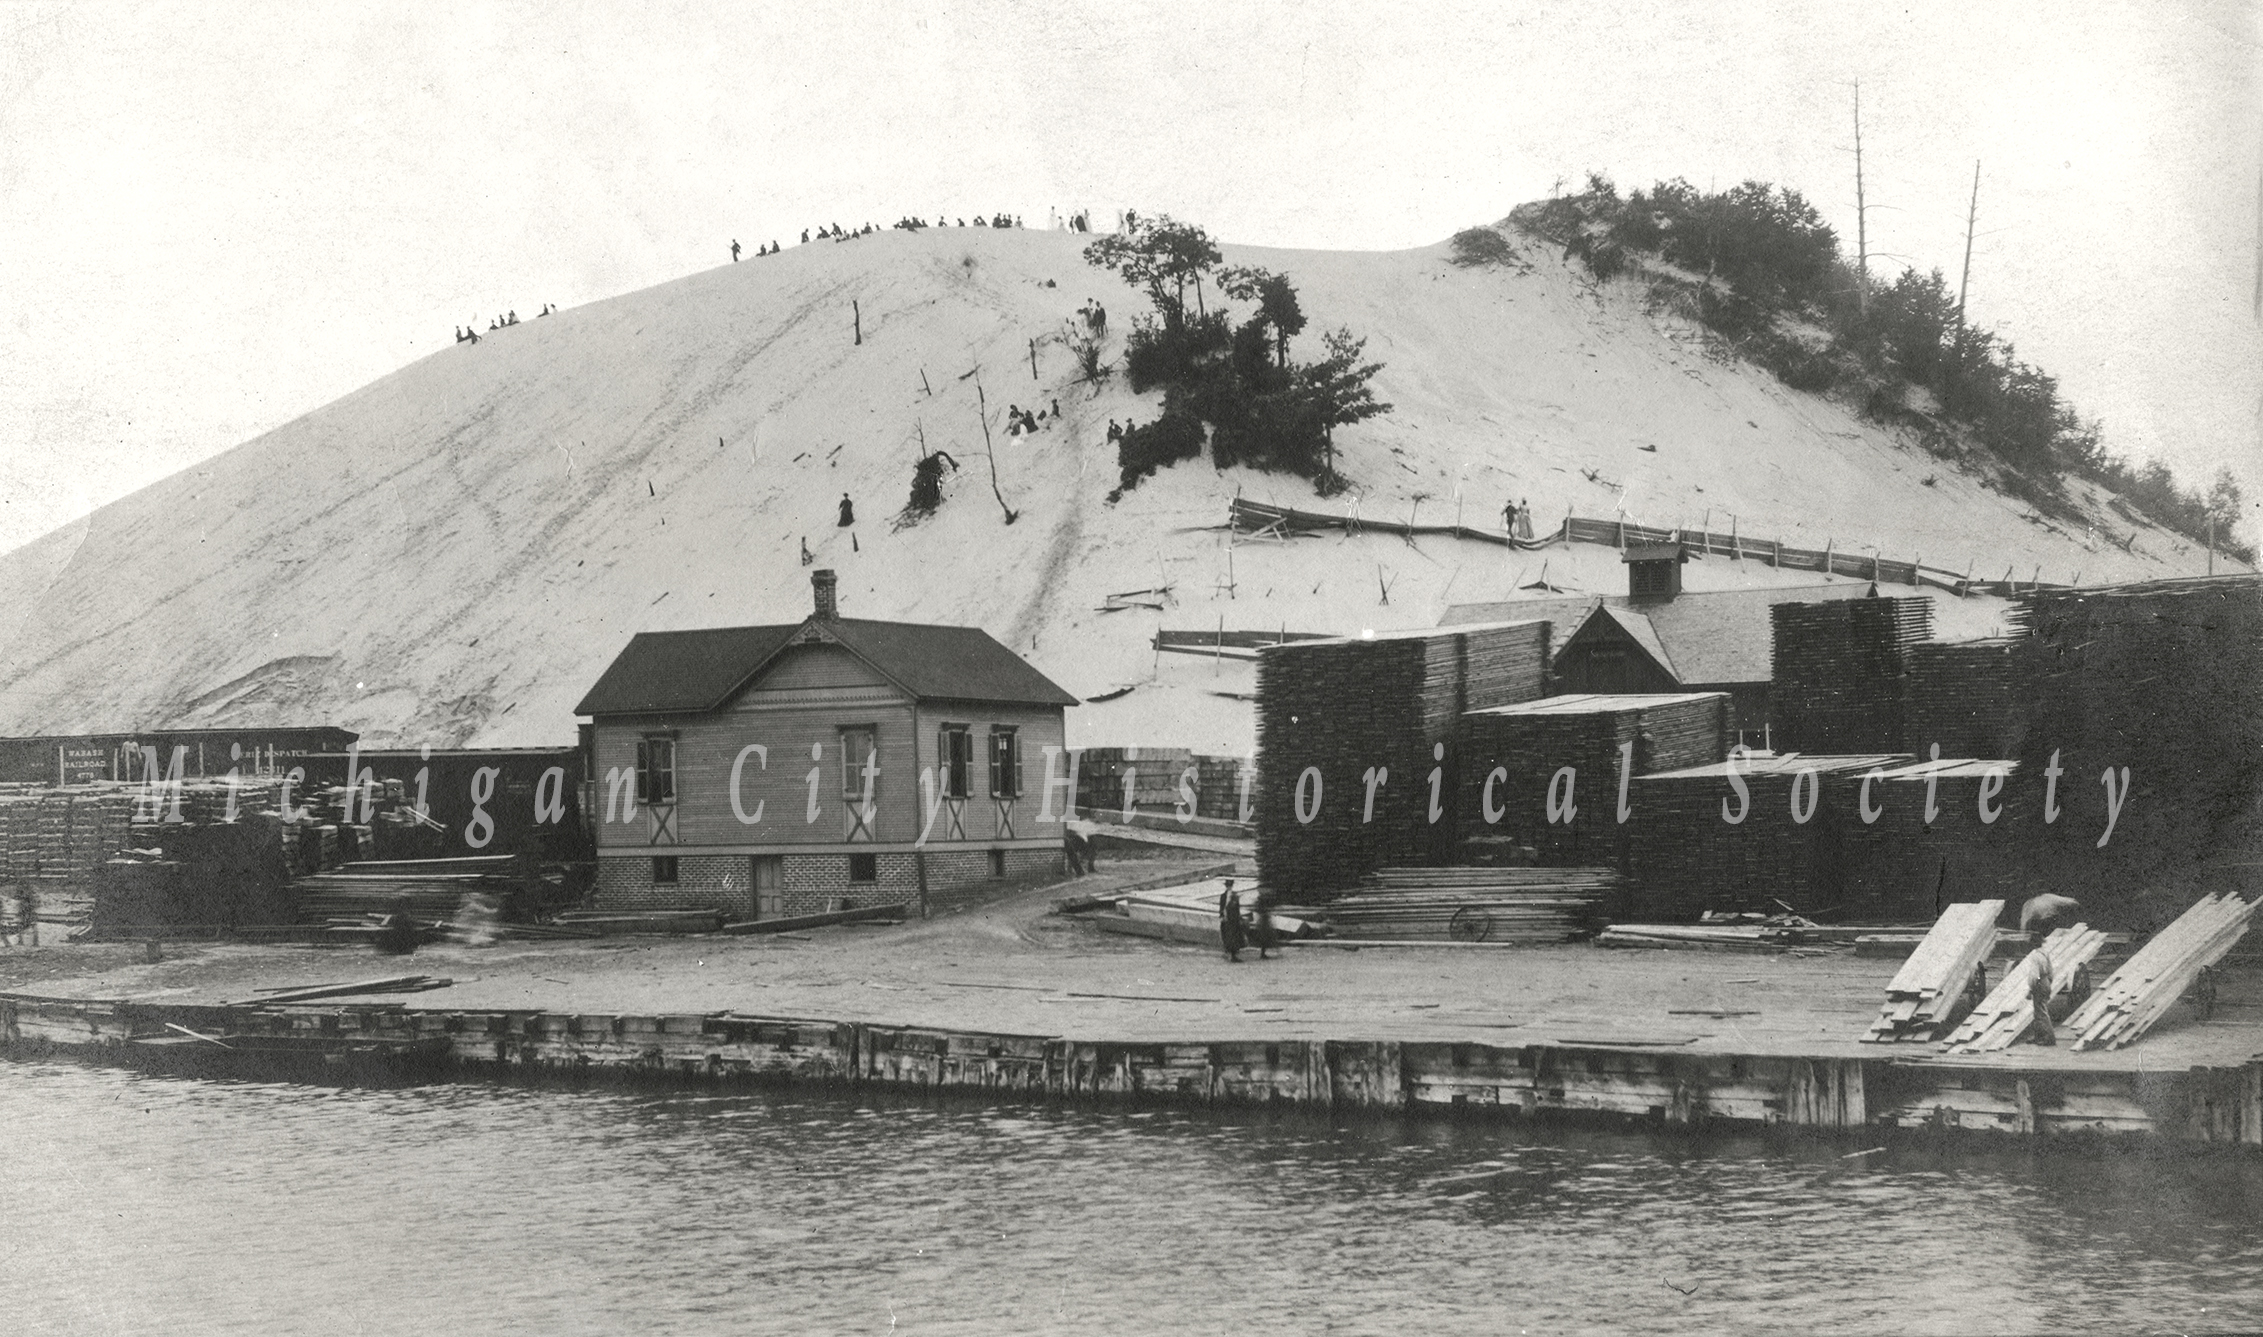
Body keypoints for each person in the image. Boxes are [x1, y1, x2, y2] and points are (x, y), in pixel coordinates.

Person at [1219, 881, 1247, 963]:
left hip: (1233, 919)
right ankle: (1229, 952)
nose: (1229, 887)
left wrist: (1239, 918)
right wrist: (1221, 916)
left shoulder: (1234, 896)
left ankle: (1233, 954)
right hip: (1226, 919)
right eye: (1228, 886)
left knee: (1233, 936)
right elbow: (1221, 907)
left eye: (1230, 885)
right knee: (1227, 935)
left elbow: (1237, 909)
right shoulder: (1223, 896)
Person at [1249, 891, 1279, 959]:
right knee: (1266, 936)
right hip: (1263, 920)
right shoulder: (1261, 901)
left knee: (1266, 936)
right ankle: (1264, 953)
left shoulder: (1260, 901)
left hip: (1263, 920)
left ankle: (1264, 952)